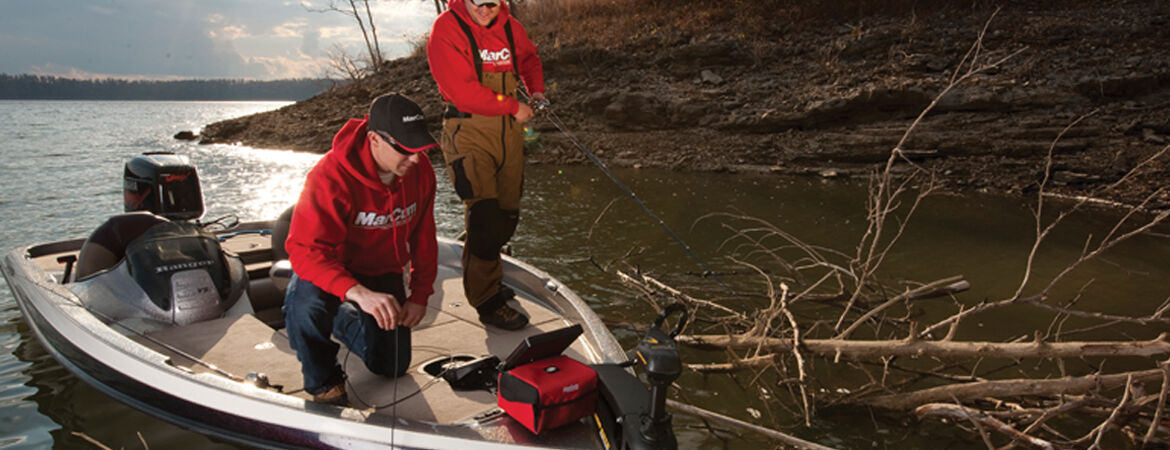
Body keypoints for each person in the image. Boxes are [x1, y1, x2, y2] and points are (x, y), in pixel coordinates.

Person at [283, 93, 439, 406]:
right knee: (307, 310)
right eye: (406, 150)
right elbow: (303, 251)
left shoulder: (420, 172)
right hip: (330, 267)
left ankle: (342, 319)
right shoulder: (328, 177)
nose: (416, 159)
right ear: (374, 140)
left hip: (380, 267)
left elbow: (424, 237)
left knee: (391, 366)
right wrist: (357, 292)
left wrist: (420, 295)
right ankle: (324, 381)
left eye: (421, 149)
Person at [426, 0, 546, 331]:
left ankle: (485, 270)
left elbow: (530, 58)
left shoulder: (511, 28)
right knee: (483, 214)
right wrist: (512, 105)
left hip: (509, 133)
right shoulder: (446, 29)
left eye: (492, 4)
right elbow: (462, 92)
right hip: (469, 130)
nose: (484, 10)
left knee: (507, 214)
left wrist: (537, 92)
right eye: (477, 2)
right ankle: (486, 301)